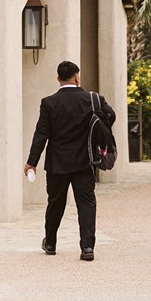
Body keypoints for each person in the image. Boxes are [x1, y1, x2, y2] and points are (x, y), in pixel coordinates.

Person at [24, 60, 116, 261]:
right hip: (84, 161)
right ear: (77, 76)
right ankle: (87, 247)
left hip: (57, 163)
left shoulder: (49, 103)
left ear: (58, 79)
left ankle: (50, 242)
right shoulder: (93, 99)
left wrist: (32, 161)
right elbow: (111, 116)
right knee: (86, 203)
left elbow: (41, 134)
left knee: (55, 203)